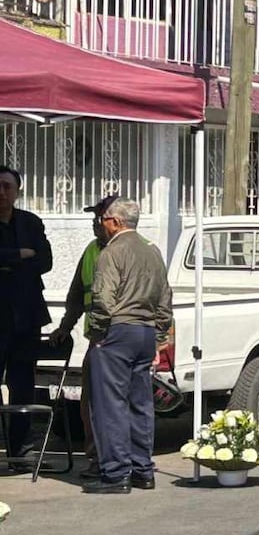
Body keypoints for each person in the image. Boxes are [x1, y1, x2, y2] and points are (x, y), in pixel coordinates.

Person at [83, 198, 172, 494]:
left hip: (118, 330)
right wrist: (159, 337)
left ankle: (116, 473)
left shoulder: (113, 252)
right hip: (145, 332)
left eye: (104, 220)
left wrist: (98, 334)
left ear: (116, 222)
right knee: (140, 403)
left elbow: (103, 299)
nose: (101, 225)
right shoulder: (152, 252)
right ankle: (142, 470)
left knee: (110, 405)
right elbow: (164, 300)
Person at [49, 195, 118, 479]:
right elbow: (77, 295)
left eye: (99, 219)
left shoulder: (127, 250)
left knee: (119, 403)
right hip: (97, 338)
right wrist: (65, 326)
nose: (94, 225)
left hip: (121, 337)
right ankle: (96, 458)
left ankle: (121, 461)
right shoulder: (92, 250)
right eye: (93, 219)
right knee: (89, 402)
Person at [0, 165, 52, 471]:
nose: (2, 192)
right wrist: (19, 255)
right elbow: (30, 258)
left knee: (23, 385)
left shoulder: (30, 222)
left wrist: (9, 262)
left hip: (25, 318)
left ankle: (21, 450)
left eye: (7, 186)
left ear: (17, 190)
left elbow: (45, 261)